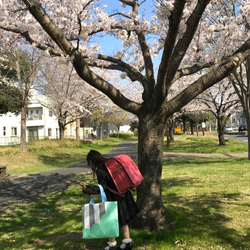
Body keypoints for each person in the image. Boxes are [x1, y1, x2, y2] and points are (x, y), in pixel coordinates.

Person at [80, 150, 139, 250]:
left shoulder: (100, 170)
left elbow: (103, 187)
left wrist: (88, 189)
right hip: (124, 194)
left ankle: (111, 245)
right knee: (123, 221)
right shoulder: (109, 164)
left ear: (91, 162)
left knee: (110, 221)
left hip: (113, 198)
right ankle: (127, 242)